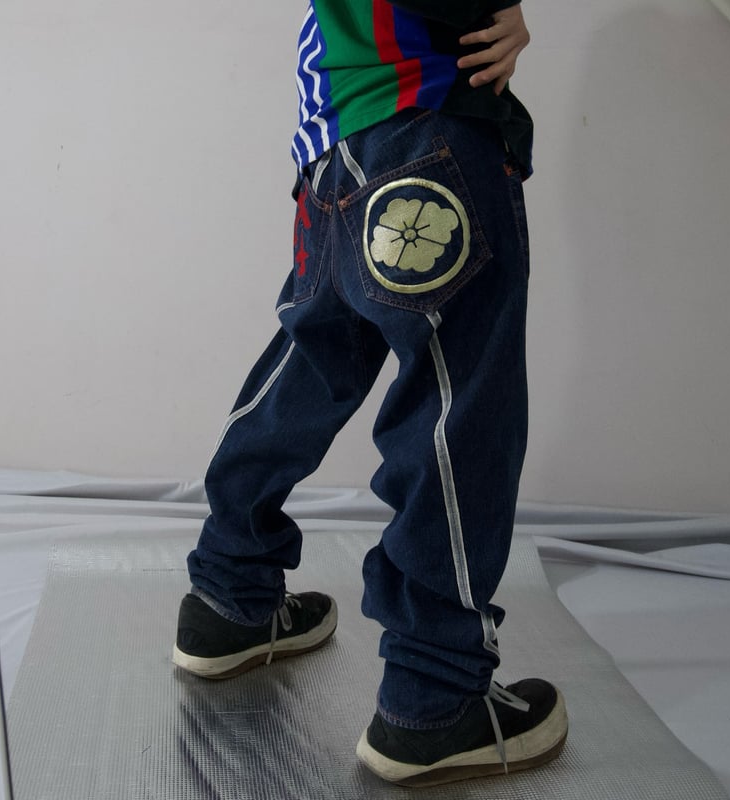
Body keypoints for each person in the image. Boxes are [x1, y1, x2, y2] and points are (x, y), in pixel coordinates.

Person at [172, 0, 568, 787]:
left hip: (336, 141)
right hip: (424, 124)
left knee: (310, 367)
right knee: (458, 408)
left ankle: (228, 596)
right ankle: (434, 699)